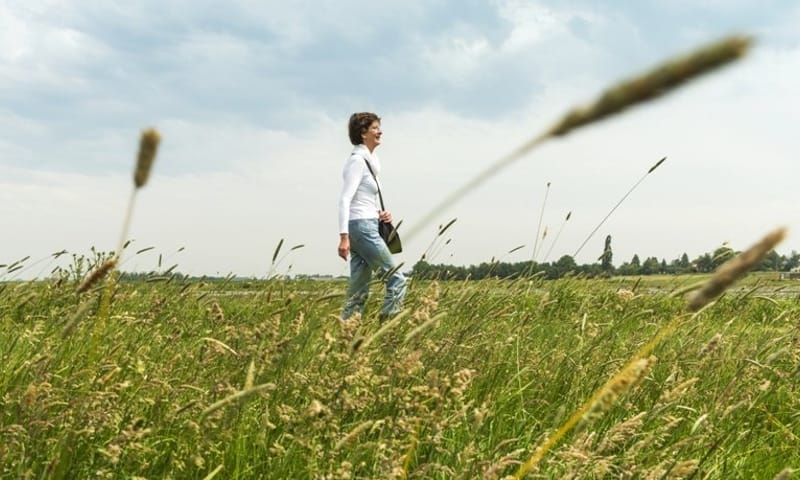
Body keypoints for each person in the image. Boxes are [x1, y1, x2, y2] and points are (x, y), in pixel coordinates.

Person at [338, 112, 407, 320]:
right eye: (375, 128)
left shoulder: (371, 162)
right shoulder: (357, 161)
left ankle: (344, 336)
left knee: (358, 291)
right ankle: (387, 331)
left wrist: (380, 214)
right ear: (363, 132)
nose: (380, 132)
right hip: (361, 228)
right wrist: (343, 238)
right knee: (397, 280)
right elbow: (345, 199)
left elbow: (363, 199)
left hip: (365, 224)